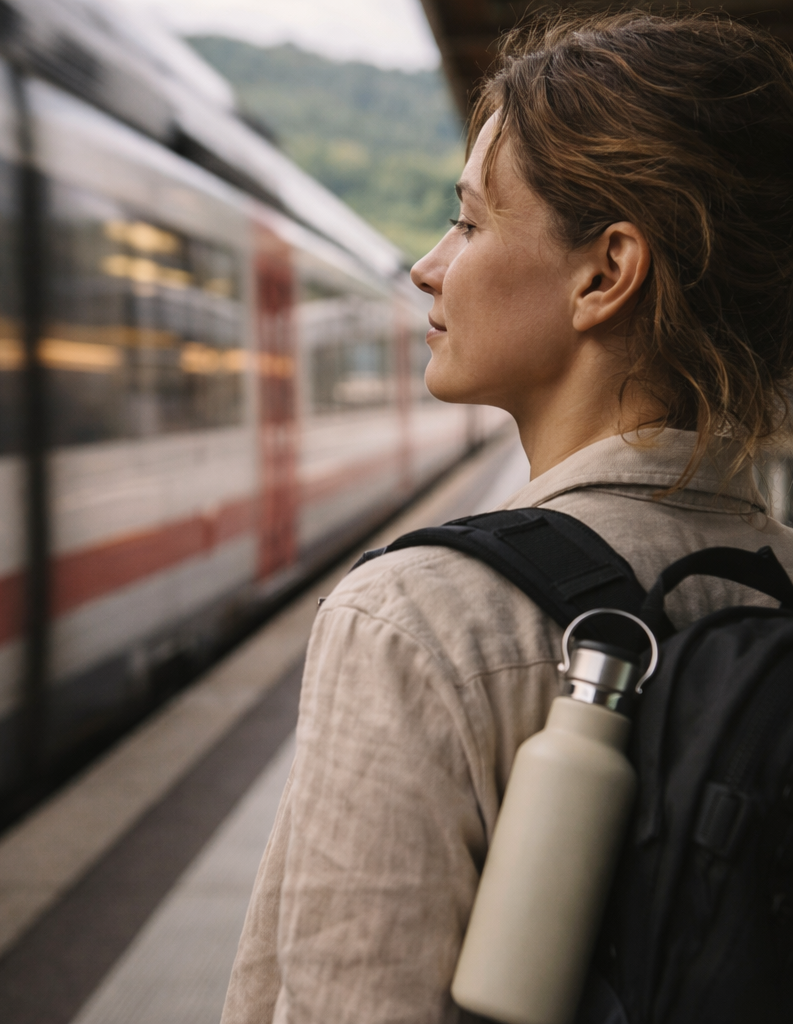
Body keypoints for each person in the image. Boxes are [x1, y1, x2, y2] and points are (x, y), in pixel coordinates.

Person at [221, 11, 793, 1023]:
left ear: (605, 274)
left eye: (471, 221)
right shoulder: (774, 572)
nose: (427, 266)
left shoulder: (416, 619)